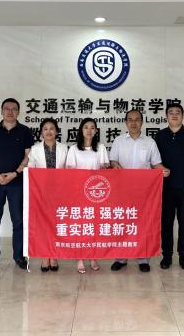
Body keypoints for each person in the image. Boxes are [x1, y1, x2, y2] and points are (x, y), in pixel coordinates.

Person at [109, 109, 169, 273]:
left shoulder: (150, 142)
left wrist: (163, 170)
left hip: (144, 192)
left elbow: (156, 164)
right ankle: (121, 258)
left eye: (137, 119)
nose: (133, 122)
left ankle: (143, 259)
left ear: (142, 122)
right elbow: (113, 161)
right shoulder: (119, 141)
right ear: (126, 122)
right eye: (130, 119)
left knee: (142, 224)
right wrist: (115, 165)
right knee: (122, 223)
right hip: (122, 190)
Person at [0, 98, 35, 271]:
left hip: (17, 182)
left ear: (18, 111)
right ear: (1, 111)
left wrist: (15, 173)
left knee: (18, 221)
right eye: (7, 108)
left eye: (14, 109)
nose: (10, 112)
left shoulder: (25, 131)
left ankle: (19, 256)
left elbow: (28, 156)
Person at [155, 103, 184, 270]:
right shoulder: (160, 135)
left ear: (183, 116)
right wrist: (160, 170)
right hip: (164, 187)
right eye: (171, 112)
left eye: (178, 112)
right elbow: (154, 161)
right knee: (166, 223)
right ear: (166, 116)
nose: (174, 115)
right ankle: (166, 256)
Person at [66, 117, 109, 273]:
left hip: (96, 194)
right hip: (78, 193)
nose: (89, 130)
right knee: (81, 226)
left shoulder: (101, 147)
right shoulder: (73, 149)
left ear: (96, 131)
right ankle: (80, 258)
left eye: (92, 127)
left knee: (94, 227)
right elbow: (69, 171)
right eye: (86, 127)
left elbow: (105, 169)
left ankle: (93, 257)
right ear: (81, 130)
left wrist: (102, 169)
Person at [27, 117, 68, 272]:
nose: (48, 131)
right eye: (45, 129)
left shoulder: (64, 148)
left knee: (56, 224)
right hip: (41, 192)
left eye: (52, 128)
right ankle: (45, 256)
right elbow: (31, 169)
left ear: (56, 132)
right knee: (43, 225)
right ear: (41, 133)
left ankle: (54, 255)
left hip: (59, 192)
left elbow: (69, 169)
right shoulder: (35, 149)